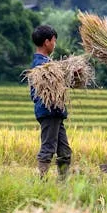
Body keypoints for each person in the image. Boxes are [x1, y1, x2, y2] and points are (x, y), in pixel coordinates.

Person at [30, 25, 72, 179]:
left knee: (64, 152)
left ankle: (62, 184)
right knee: (48, 148)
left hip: (55, 112)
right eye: (54, 40)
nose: (55, 44)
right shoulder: (41, 65)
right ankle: (41, 182)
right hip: (49, 111)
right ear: (47, 42)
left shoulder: (47, 63)